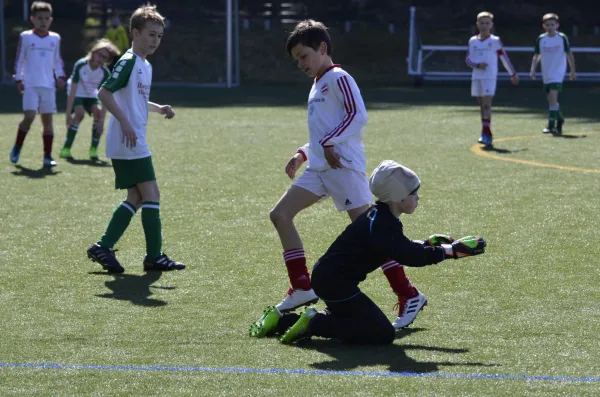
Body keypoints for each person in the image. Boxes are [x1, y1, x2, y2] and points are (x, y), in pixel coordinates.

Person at [270, 19, 426, 329]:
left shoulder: (339, 77)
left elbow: (359, 115)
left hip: (343, 168)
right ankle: (302, 285)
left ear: (322, 48)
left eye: (303, 55)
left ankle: (409, 294)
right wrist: (302, 154)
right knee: (280, 215)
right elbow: (322, 132)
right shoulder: (317, 84)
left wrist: (327, 143)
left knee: (373, 237)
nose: (300, 63)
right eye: (296, 59)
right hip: (320, 169)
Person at [250, 160, 487, 345]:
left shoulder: (381, 216)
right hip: (335, 284)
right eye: (413, 193)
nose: (418, 197)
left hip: (331, 279)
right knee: (381, 333)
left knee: (360, 322)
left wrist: (429, 242)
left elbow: (398, 246)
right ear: (398, 197)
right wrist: (451, 251)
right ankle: (315, 324)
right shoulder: (383, 224)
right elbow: (408, 255)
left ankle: (282, 321)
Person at [86, 4, 185, 273]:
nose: (156, 40)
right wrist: (126, 122)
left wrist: (158, 108)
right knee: (152, 193)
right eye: (151, 34)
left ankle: (103, 247)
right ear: (135, 33)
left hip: (130, 138)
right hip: (128, 139)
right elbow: (104, 93)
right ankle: (153, 257)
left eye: (159, 36)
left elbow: (133, 99)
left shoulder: (144, 65)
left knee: (137, 195)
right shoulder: (129, 61)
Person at [10, 1, 65, 167]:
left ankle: (47, 156)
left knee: (47, 121)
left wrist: (60, 76)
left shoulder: (55, 38)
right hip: (30, 85)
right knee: (30, 116)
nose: (43, 21)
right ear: (32, 19)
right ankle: (17, 147)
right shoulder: (26, 37)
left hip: (48, 85)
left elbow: (57, 60)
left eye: (46, 18)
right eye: (40, 18)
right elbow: (20, 59)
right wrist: (19, 79)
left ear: (51, 20)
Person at [60, 39, 120, 160]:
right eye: (100, 54)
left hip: (91, 94)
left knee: (98, 114)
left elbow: (105, 96)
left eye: (105, 57)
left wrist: (102, 121)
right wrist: (67, 115)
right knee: (79, 114)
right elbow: (72, 90)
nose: (101, 59)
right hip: (77, 92)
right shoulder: (81, 65)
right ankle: (66, 149)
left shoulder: (104, 72)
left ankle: (93, 149)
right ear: (93, 52)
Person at [465, 11, 519, 147]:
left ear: (491, 25)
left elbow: (503, 57)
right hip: (476, 76)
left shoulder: (495, 41)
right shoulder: (473, 41)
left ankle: (487, 133)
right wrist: (477, 65)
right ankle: (484, 131)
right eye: (481, 23)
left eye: (487, 23)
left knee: (487, 105)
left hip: (489, 77)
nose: (484, 26)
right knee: (481, 106)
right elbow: (468, 59)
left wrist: (512, 73)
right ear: (477, 24)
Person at [529, 13, 576, 135]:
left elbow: (569, 54)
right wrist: (533, 69)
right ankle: (560, 120)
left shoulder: (562, 38)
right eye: (548, 25)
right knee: (551, 100)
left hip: (558, 72)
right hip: (546, 72)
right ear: (544, 26)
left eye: (552, 25)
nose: (550, 27)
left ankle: (551, 125)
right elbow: (536, 55)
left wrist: (572, 70)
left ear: (557, 25)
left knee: (553, 97)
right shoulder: (541, 39)